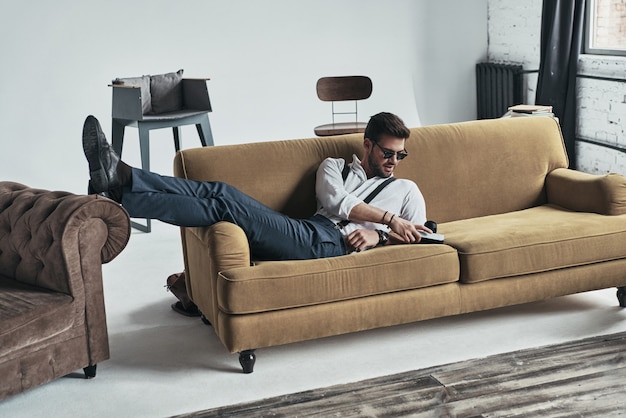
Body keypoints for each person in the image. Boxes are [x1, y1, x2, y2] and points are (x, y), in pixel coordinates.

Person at [82, 112, 432, 261]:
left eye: (400, 155)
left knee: (224, 200)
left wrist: (379, 236)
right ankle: (120, 190)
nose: (393, 161)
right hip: (309, 230)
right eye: (388, 152)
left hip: (329, 245)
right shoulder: (335, 167)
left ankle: (121, 184)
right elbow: (337, 202)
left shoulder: (407, 190)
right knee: (220, 195)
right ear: (367, 144)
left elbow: (424, 237)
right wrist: (387, 220)